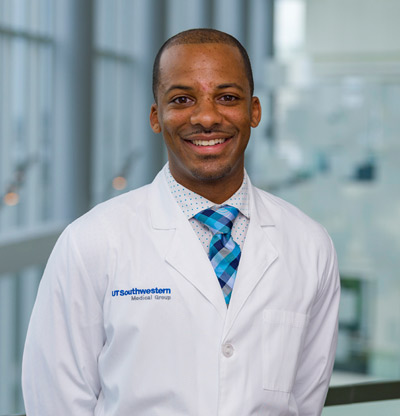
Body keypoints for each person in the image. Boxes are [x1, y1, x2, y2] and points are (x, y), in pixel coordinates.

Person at [22, 28, 340, 416]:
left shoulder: (309, 245)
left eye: (227, 97)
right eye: (182, 99)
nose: (206, 117)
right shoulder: (91, 241)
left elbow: (306, 398)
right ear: (157, 116)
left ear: (254, 111)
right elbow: (55, 399)